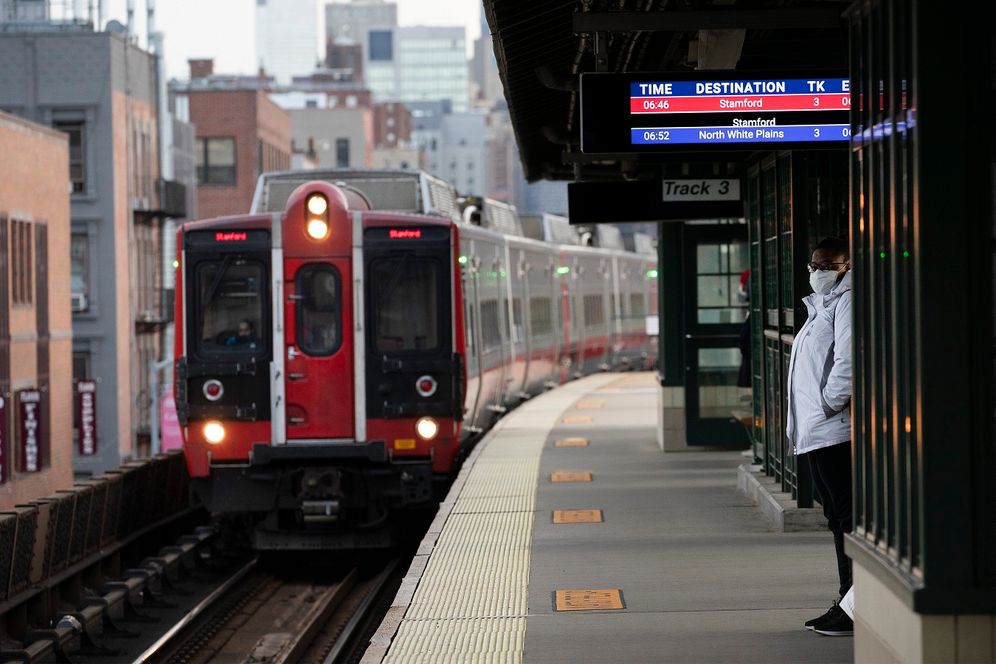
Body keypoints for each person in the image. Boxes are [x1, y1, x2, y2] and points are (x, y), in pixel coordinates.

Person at [785, 237, 854, 637]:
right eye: (814, 266)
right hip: (817, 431)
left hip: (835, 431)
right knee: (836, 517)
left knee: (846, 518)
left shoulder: (846, 302)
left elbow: (847, 361)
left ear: (846, 266)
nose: (818, 272)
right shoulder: (821, 306)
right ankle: (846, 601)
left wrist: (829, 404)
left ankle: (852, 607)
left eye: (827, 265)